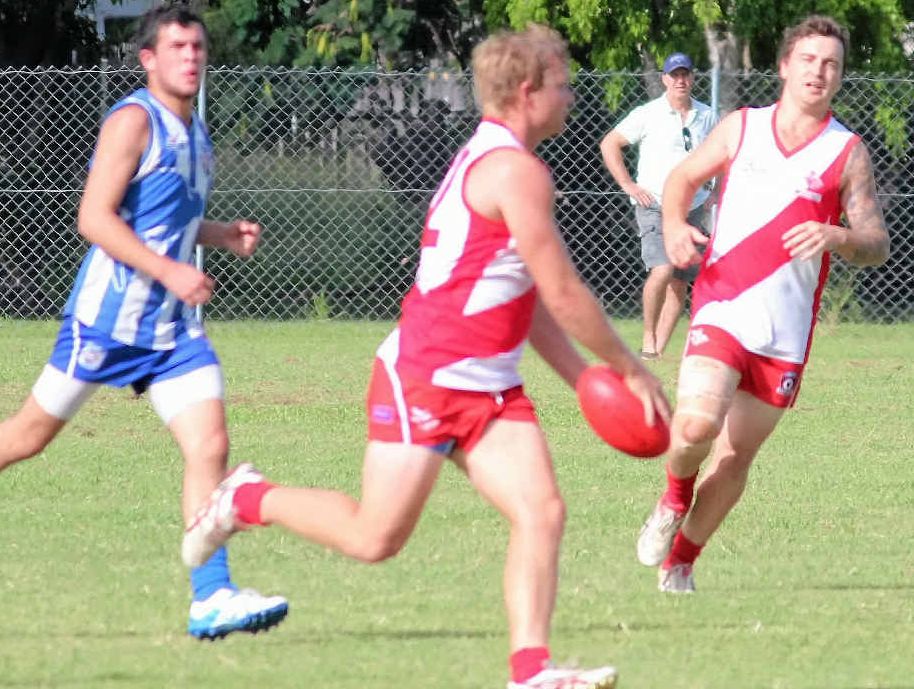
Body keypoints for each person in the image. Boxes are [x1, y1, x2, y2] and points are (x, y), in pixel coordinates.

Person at [183, 24, 669, 689]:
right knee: (374, 538)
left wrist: (584, 378)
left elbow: (525, 297)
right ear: (527, 92)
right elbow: (563, 290)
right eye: (562, 85)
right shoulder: (514, 171)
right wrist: (631, 368)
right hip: (426, 377)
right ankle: (246, 497)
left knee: (541, 512)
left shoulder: (500, 157)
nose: (571, 97)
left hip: (489, 388)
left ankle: (531, 669)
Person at [0, 6, 288, 639]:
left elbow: (165, 218)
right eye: (177, 47)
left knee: (209, 447)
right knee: (25, 438)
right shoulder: (133, 121)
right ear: (149, 59)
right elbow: (94, 218)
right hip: (107, 322)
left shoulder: (197, 131)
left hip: (171, 332)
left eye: (197, 46)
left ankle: (211, 597)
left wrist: (220, 234)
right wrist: (170, 271)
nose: (191, 56)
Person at [636, 15, 890, 593]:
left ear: (840, 76)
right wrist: (673, 225)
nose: (819, 71)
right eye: (809, 60)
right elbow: (680, 179)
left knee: (734, 458)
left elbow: (877, 244)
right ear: (784, 67)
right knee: (696, 426)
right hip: (723, 305)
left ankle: (681, 561)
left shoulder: (847, 152)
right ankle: (673, 497)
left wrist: (838, 235)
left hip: (784, 333)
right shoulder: (742, 127)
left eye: (831, 64)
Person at [600, 52, 718, 360]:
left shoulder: (706, 115)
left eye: (685, 74)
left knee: (679, 280)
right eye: (674, 75)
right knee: (662, 268)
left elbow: (722, 154)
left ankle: (657, 352)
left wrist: (715, 191)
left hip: (692, 206)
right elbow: (610, 143)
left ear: (692, 78)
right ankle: (648, 336)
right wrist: (628, 184)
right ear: (665, 79)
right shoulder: (648, 113)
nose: (680, 80)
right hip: (654, 203)